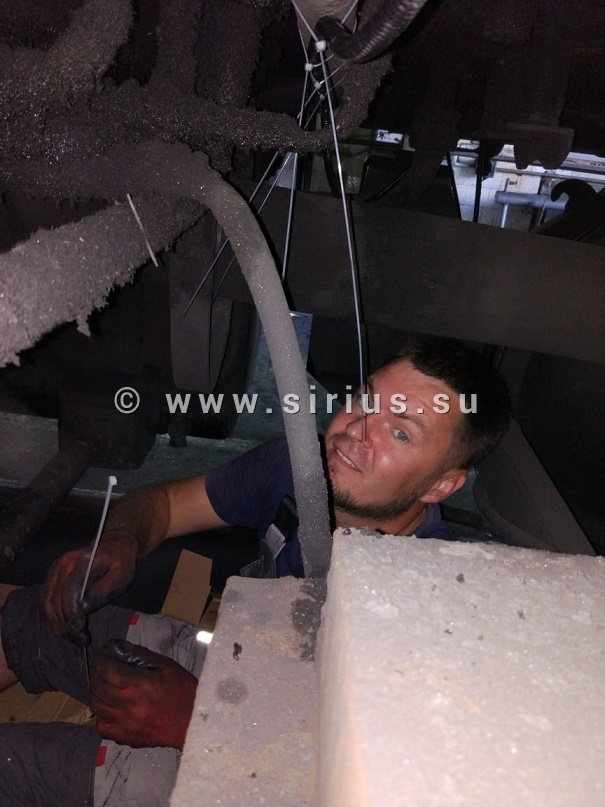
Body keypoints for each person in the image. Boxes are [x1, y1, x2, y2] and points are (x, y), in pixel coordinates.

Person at [0, 336, 510, 806]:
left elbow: (370, 785)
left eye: (399, 432)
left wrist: (195, 722)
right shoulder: (296, 468)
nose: (356, 431)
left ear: (441, 486)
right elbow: (167, 504)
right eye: (365, 400)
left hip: (274, 771)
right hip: (240, 663)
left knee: (14, 766)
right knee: (42, 617)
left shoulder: (435, 609)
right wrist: (120, 542)